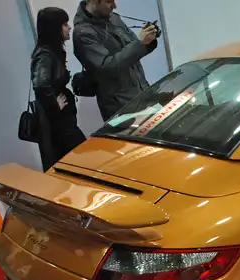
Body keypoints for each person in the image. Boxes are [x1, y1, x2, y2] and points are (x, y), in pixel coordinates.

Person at [73, 0, 159, 121]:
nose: (114, 6)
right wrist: (140, 44)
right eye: (109, 1)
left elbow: (135, 48)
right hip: (120, 108)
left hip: (143, 93)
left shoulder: (114, 18)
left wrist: (148, 38)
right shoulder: (82, 33)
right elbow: (106, 68)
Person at [30, 7, 87, 171]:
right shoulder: (45, 55)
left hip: (62, 122)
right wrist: (54, 106)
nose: (69, 27)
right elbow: (40, 84)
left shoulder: (53, 52)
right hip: (58, 125)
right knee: (80, 159)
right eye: (64, 24)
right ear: (54, 28)